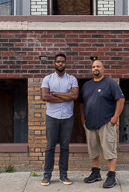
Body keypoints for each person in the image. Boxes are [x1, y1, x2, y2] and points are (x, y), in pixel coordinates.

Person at [79, 59, 125, 189]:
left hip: (106, 122)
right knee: (94, 150)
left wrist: (115, 117)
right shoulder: (87, 85)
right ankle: (96, 173)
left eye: (98, 66)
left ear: (103, 69)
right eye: (93, 67)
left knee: (109, 149)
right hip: (90, 123)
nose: (95, 68)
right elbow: (81, 103)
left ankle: (111, 175)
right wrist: (83, 119)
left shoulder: (110, 83)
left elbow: (120, 99)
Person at [40, 53, 79, 186]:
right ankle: (47, 176)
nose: (60, 64)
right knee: (50, 147)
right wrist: (66, 96)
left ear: (65, 63)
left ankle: (64, 175)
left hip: (67, 117)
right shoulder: (47, 79)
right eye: (58, 62)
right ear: (54, 63)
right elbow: (45, 97)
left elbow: (74, 95)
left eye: (62, 62)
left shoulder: (72, 79)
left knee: (65, 147)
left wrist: (55, 94)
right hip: (52, 117)